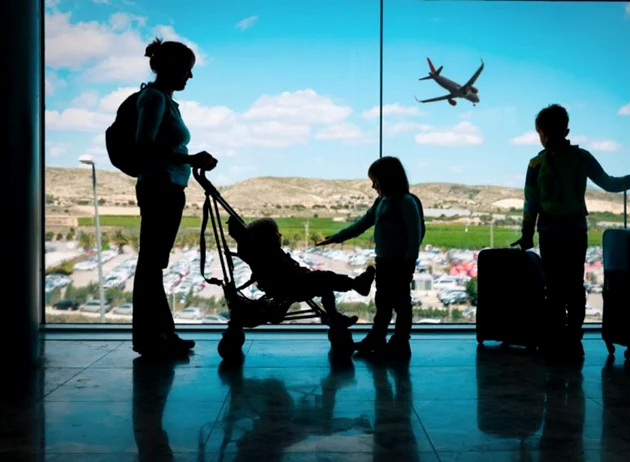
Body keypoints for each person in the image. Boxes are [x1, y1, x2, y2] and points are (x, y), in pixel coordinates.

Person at [512, 104, 630, 362]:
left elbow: (531, 203)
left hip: (550, 232)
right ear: (567, 129)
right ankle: (574, 339)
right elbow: (610, 183)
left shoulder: (536, 163)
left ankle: (553, 341)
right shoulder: (582, 157)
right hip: (576, 230)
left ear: (540, 131)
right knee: (574, 285)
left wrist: (527, 233)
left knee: (553, 287)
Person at [132, 38, 218, 358]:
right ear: (170, 68)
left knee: (154, 264)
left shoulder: (164, 100)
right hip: (160, 187)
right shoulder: (154, 99)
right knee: (151, 264)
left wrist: (188, 160)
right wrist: (190, 158)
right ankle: (152, 337)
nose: (190, 77)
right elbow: (144, 146)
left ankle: (162, 333)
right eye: (187, 69)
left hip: (167, 187)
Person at [317, 156, 423, 359]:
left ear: (386, 179)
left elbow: (414, 236)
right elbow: (363, 223)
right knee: (384, 303)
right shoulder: (382, 202)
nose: (373, 185)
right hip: (384, 262)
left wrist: (409, 263)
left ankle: (397, 342)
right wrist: (337, 238)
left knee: (399, 304)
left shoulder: (405, 202)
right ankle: (381, 340)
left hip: (399, 263)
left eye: (375, 180)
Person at [238, 217, 375, 327]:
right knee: (325, 278)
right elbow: (288, 274)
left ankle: (336, 315)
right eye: (276, 233)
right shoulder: (271, 255)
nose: (280, 235)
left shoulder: (265, 255)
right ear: (267, 238)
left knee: (325, 285)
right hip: (293, 286)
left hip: (292, 284)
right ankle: (356, 286)